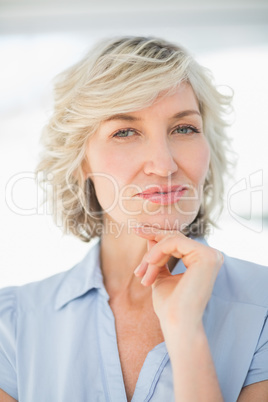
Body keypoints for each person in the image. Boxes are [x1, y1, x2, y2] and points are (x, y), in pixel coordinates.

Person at [0, 36, 267, 402]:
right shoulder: (12, 326)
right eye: (125, 132)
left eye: (184, 128)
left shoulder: (263, 308)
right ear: (82, 163)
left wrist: (186, 335)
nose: (164, 164)